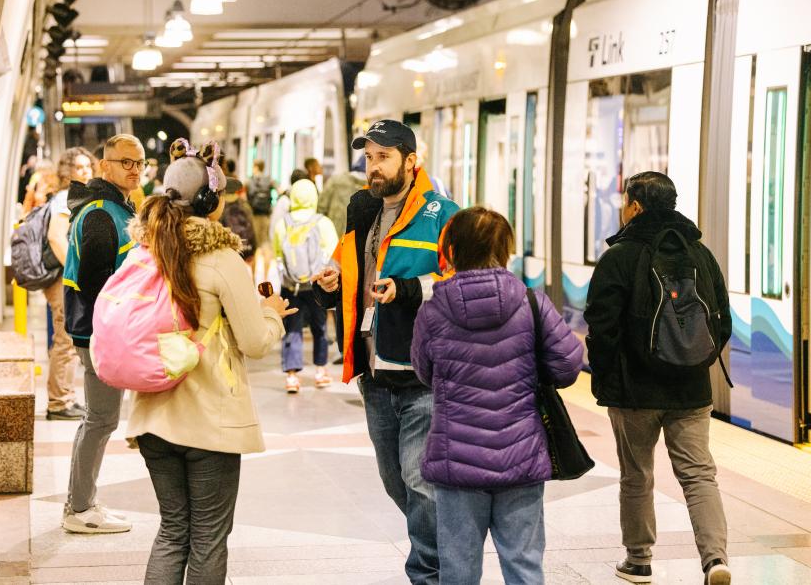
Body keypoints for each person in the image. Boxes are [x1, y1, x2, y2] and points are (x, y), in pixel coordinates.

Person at [126, 141, 296, 582]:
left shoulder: (145, 253)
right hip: (208, 424)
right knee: (207, 538)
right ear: (209, 200)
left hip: (151, 416)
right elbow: (255, 343)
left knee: (172, 531)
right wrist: (272, 315)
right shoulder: (221, 259)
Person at [313, 119, 459, 584]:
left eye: (383, 157)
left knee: (420, 482)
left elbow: (463, 281)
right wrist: (330, 284)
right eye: (369, 158)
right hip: (374, 373)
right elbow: (347, 270)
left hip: (423, 374)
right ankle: (443, 548)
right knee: (396, 480)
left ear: (411, 161)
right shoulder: (362, 212)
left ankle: (430, 572)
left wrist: (409, 289)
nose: (372, 167)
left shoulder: (445, 213)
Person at [412, 206, 582, 584]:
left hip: (456, 459)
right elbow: (569, 366)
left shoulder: (433, 309)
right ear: (505, 250)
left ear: (452, 250)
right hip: (520, 456)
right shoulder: (532, 303)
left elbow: (424, 372)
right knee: (523, 564)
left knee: (458, 568)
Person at [585, 172, 732, 585]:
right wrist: (695, 362)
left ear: (635, 206)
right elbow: (722, 319)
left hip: (634, 392)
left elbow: (600, 324)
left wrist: (607, 377)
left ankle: (638, 560)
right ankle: (715, 560)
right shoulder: (700, 253)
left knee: (637, 474)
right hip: (691, 390)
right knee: (699, 473)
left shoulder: (620, 256)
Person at [61, 134, 146, 534]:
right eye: (125, 162)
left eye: (140, 163)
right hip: (99, 332)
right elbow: (99, 284)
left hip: (99, 330)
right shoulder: (100, 214)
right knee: (100, 420)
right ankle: (79, 509)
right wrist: (115, 328)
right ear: (104, 166)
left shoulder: (111, 207)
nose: (133, 169)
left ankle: (81, 502)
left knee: (99, 419)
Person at [43, 147, 96, 420]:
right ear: (68, 172)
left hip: (61, 278)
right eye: (79, 167)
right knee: (65, 339)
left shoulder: (72, 197)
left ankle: (64, 396)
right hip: (61, 278)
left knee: (67, 337)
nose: (86, 171)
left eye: (88, 166)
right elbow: (56, 237)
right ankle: (58, 402)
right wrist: (73, 273)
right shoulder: (66, 198)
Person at [272, 178, 338, 392]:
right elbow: (334, 251)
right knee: (320, 328)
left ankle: (291, 376)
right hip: (316, 286)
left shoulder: (283, 223)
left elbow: (277, 253)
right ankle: (320, 371)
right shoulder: (323, 222)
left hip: (291, 285)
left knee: (292, 328)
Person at [318, 153, 366, 238]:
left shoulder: (335, 181)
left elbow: (320, 208)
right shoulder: (376, 189)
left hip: (332, 239)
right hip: (357, 244)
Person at [219, 173, 257, 269]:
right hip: (245, 248)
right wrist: (253, 249)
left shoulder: (220, 206)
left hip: (226, 252)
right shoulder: (244, 205)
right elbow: (252, 228)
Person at [247, 159, 274, 250]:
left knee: (255, 240)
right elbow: (279, 190)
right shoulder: (269, 180)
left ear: (256, 167)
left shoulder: (250, 180)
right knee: (265, 240)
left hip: (254, 214)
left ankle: (257, 260)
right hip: (266, 214)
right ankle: (266, 261)